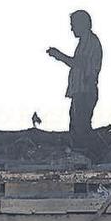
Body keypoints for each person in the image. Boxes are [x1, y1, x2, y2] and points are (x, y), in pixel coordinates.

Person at [46, 10, 103, 138]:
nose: (72, 29)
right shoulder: (84, 42)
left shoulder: (90, 42)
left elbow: (79, 64)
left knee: (80, 130)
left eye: (73, 25)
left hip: (85, 92)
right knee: (77, 128)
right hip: (80, 92)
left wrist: (59, 55)